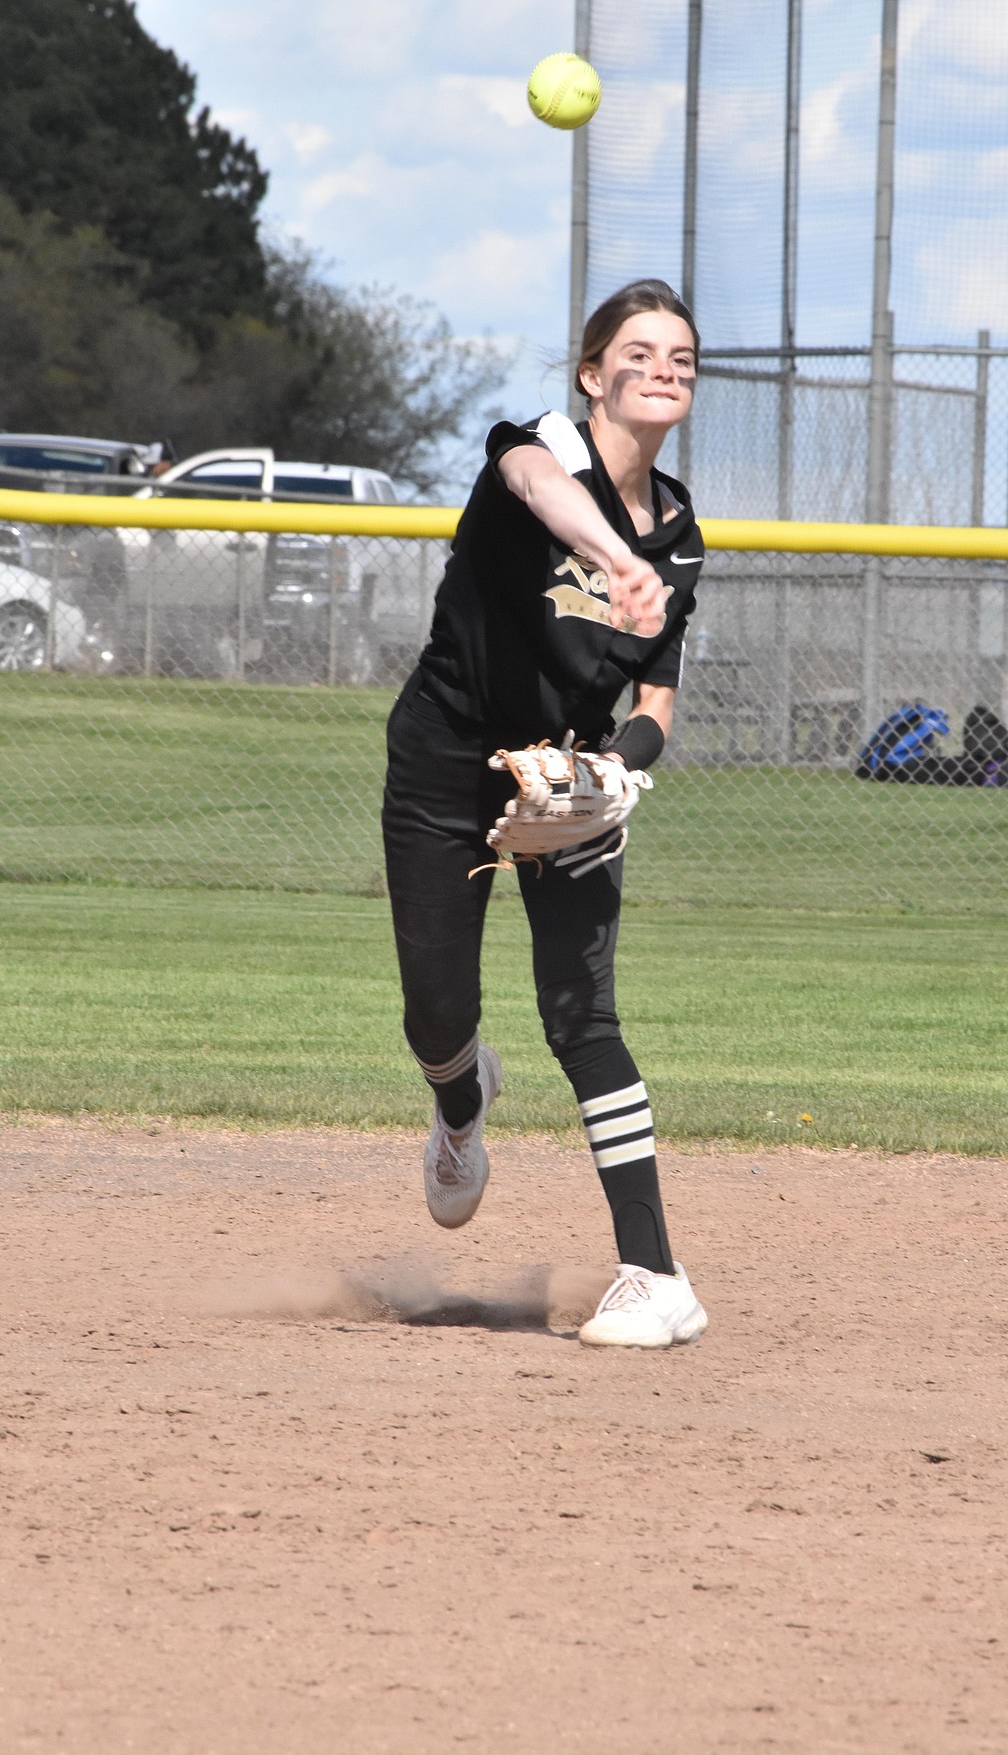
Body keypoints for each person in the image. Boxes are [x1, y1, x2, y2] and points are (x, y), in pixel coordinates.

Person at [381, 279, 708, 1349]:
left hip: (560, 775)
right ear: (590, 372)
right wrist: (616, 561)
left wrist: (616, 769)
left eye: (683, 358)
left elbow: (654, 701)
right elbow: (534, 484)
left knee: (583, 1013)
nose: (663, 368)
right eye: (641, 350)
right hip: (443, 756)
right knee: (436, 1014)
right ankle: (462, 1096)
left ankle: (656, 1277)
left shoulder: (682, 538)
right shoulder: (536, 445)